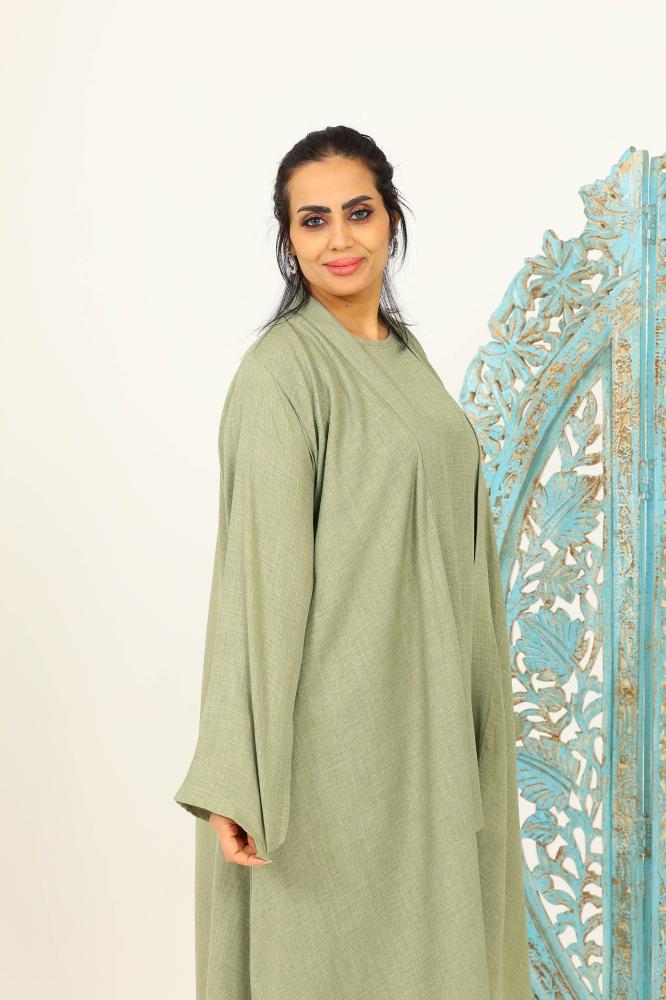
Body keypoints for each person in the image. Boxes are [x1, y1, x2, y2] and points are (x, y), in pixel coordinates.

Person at [173, 124, 533, 1000]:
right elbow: (256, 584)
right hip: (333, 744)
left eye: (358, 212)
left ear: (392, 219)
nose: (339, 238)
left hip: (429, 721)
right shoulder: (281, 375)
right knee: (333, 959)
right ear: (288, 239)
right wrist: (235, 771)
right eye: (313, 220)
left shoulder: (405, 358)